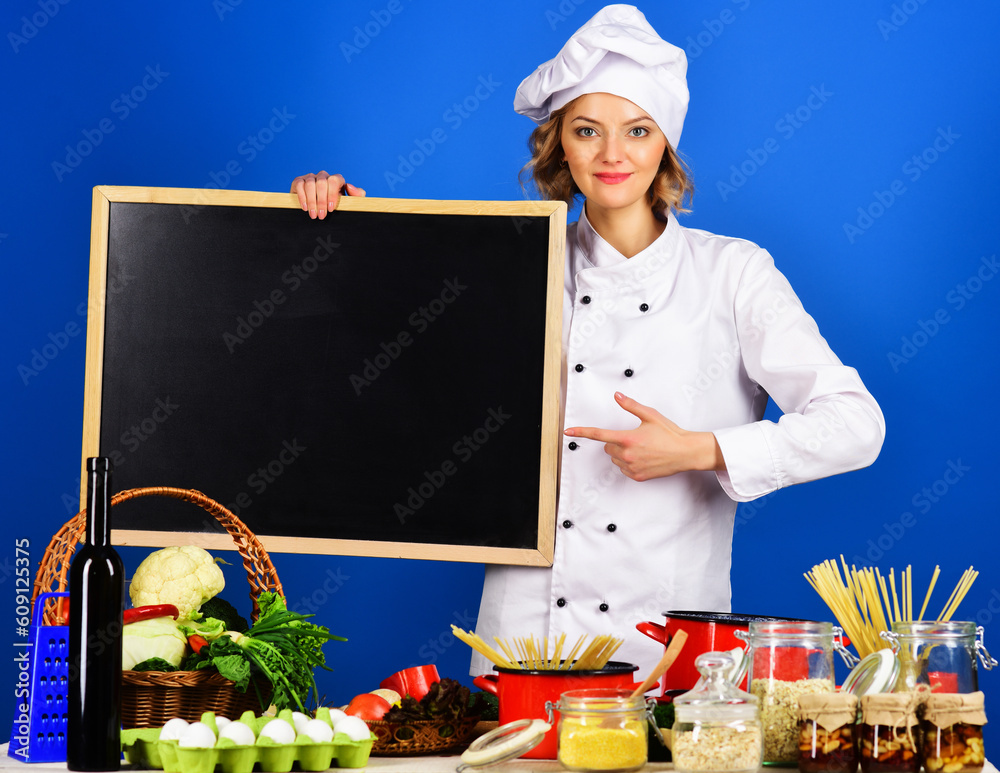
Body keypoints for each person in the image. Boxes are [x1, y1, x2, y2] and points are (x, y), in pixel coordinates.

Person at [290, 5, 885, 680]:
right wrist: (341, 231)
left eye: (636, 129)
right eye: (586, 130)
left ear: (664, 141)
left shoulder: (733, 272)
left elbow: (856, 425)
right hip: (523, 645)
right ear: (559, 146)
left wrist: (698, 448)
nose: (612, 154)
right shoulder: (509, 266)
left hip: (672, 658)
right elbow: (377, 364)